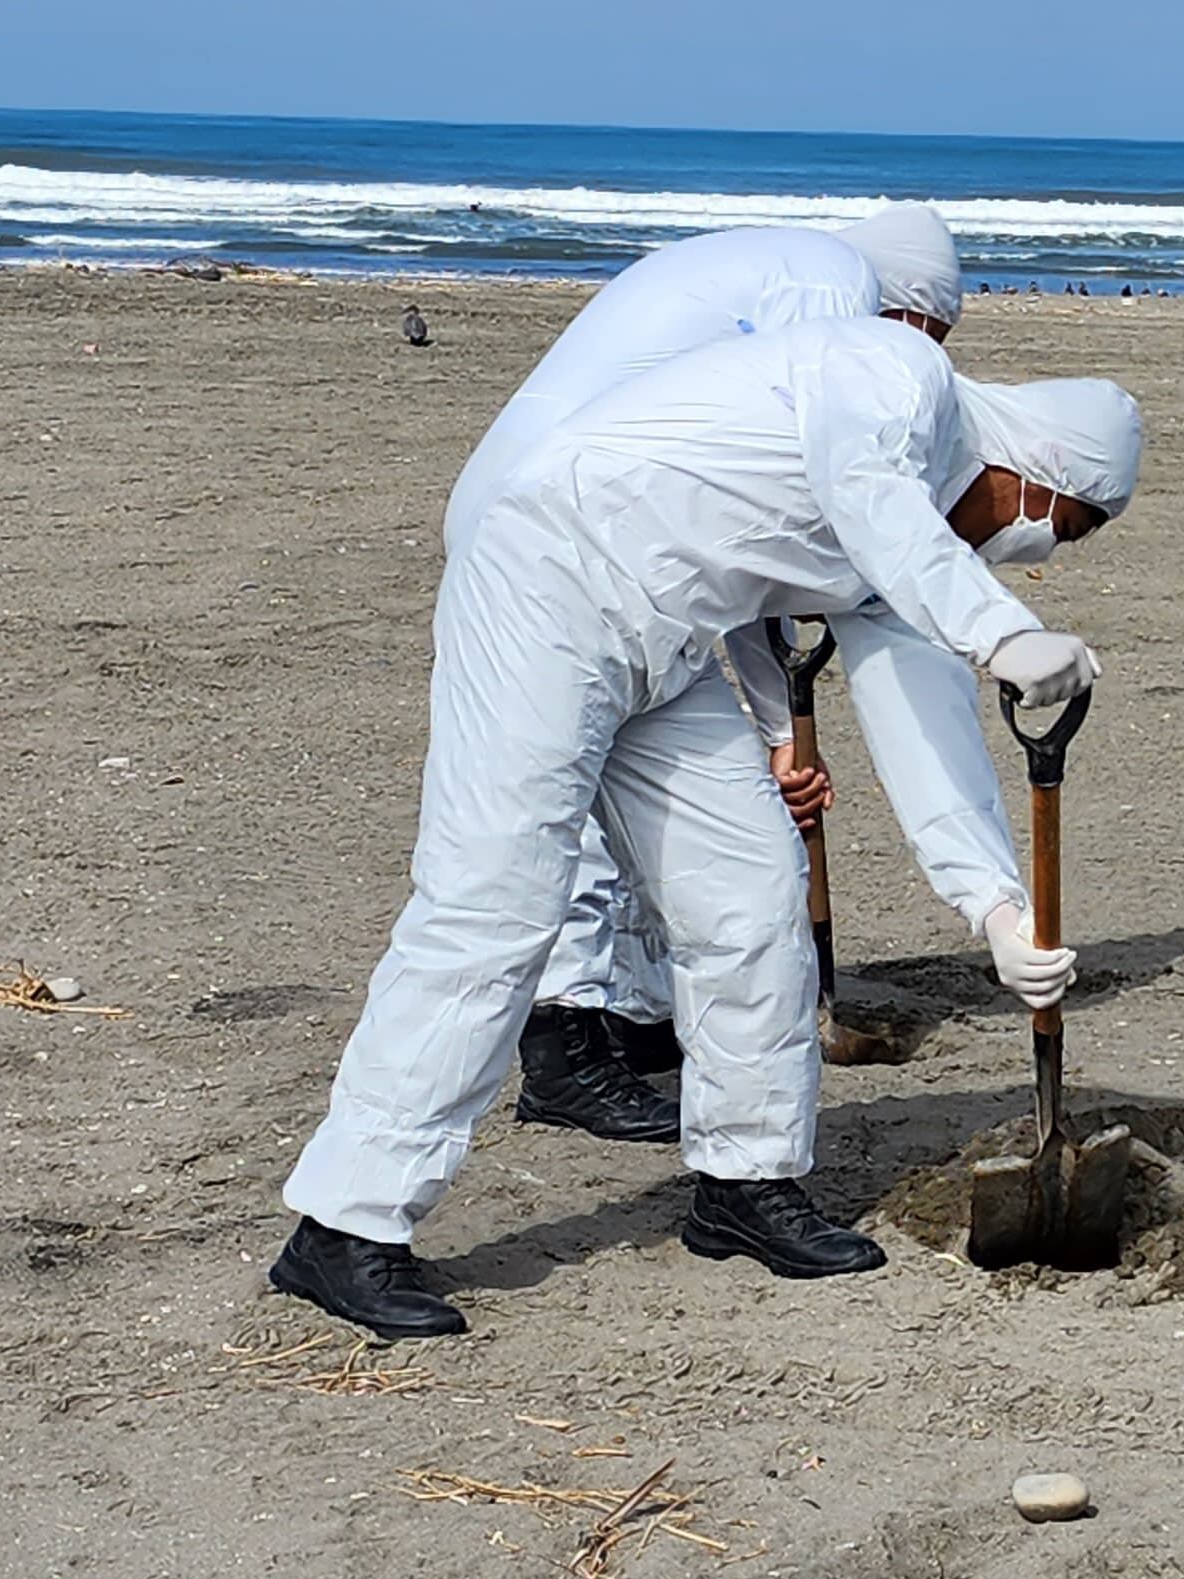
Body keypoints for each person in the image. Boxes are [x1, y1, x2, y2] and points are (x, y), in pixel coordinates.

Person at [271, 318, 1138, 1337]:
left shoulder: (912, 553)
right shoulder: (896, 378)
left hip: (670, 645)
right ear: (1033, 467)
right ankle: (344, 1227)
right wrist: (1000, 628)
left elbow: (926, 725)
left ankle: (745, 1183)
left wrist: (993, 907)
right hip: (546, 583)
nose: (1032, 549)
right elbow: (870, 501)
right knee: (493, 906)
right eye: (1061, 526)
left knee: (754, 896)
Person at [441, 208, 966, 1148]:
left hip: (604, 518)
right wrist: (776, 732)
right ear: (904, 313)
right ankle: (565, 1049)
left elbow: (750, 539)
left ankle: (640, 1019)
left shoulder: (783, 283)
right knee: (571, 793)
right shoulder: (828, 301)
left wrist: (774, 734)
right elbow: (766, 518)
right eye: (928, 343)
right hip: (555, 526)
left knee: (670, 791)